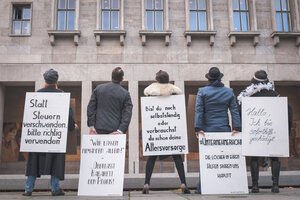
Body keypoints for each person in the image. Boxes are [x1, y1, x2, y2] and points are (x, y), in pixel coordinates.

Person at [23, 69, 76, 196]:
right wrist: (72, 126)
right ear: (56, 81)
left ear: (45, 80)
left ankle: (28, 189)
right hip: (55, 137)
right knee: (56, 162)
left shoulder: (36, 95)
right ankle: (55, 188)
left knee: (33, 162)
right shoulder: (61, 95)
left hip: (38, 137)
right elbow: (68, 116)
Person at [237, 70, 291, 193]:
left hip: (254, 132)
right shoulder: (276, 95)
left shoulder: (249, 97)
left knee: (254, 158)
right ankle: (275, 185)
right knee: (275, 158)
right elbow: (288, 112)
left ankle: (255, 186)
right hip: (273, 131)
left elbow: (240, 114)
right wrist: (285, 131)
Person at [142, 70, 190, 194]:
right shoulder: (175, 92)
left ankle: (147, 183)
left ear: (157, 80)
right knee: (177, 156)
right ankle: (183, 183)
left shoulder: (150, 92)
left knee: (152, 157)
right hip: (171, 132)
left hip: (156, 132)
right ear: (168, 80)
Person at [194, 67, 241, 194]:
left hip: (207, 130)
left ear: (209, 78)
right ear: (220, 78)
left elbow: (199, 110)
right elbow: (234, 111)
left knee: (207, 160)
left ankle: (202, 188)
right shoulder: (229, 91)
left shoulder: (202, 91)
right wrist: (237, 128)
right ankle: (225, 186)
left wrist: (198, 128)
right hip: (224, 129)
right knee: (224, 160)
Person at [87, 67, 133, 135]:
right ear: (122, 78)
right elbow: (128, 113)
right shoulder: (125, 93)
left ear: (111, 77)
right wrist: (121, 130)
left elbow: (91, 107)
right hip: (115, 129)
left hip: (98, 129)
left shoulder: (99, 89)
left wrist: (92, 126)